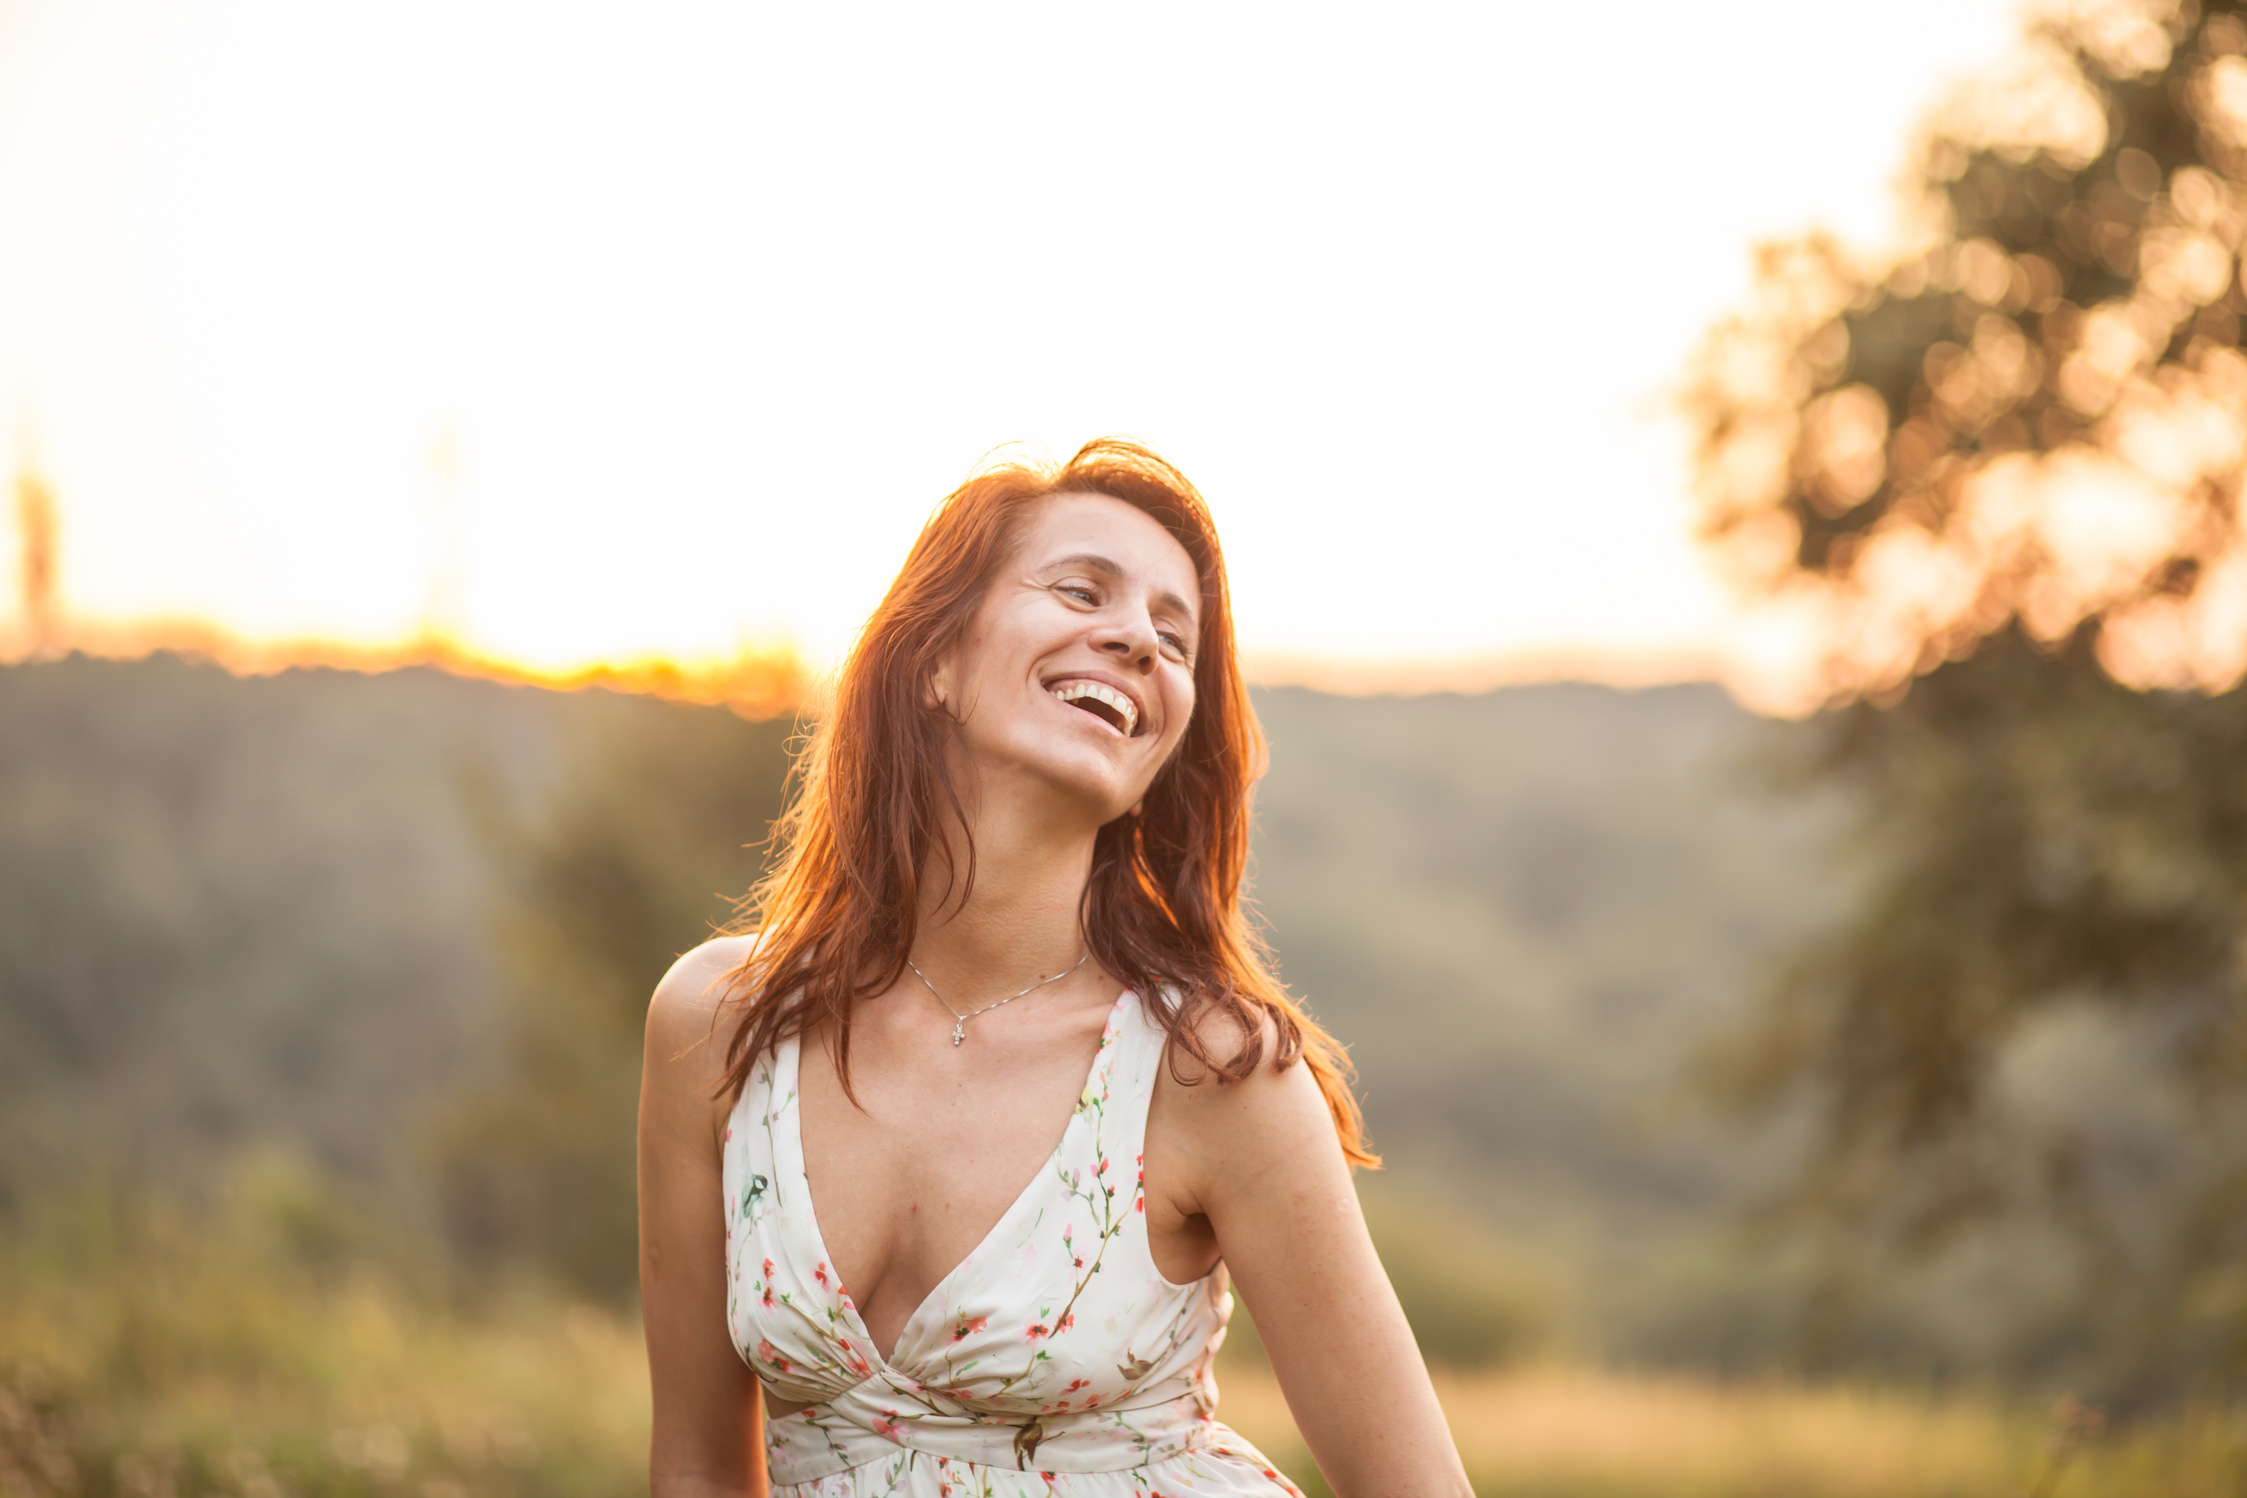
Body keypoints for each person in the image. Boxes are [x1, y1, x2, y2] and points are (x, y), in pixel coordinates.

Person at [638, 439, 1471, 1495]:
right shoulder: (716, 1025)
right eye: (1083, 590)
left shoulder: (1212, 1072)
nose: (1137, 640)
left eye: (1175, 640)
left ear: (1153, 759)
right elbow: (698, 1474)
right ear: (933, 659)